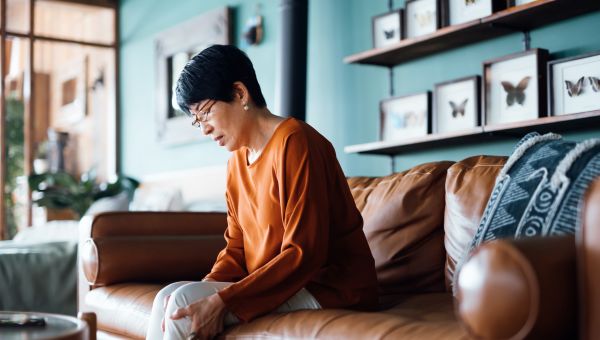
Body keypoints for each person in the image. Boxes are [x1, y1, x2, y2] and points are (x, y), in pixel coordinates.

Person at [146, 44, 378, 340]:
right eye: (196, 120)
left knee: (182, 301)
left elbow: (304, 253)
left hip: (331, 289)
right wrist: (205, 292)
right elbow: (236, 250)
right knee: (171, 296)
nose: (203, 129)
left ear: (240, 93)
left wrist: (222, 301)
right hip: (277, 285)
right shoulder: (236, 165)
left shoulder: (296, 143)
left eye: (205, 113)